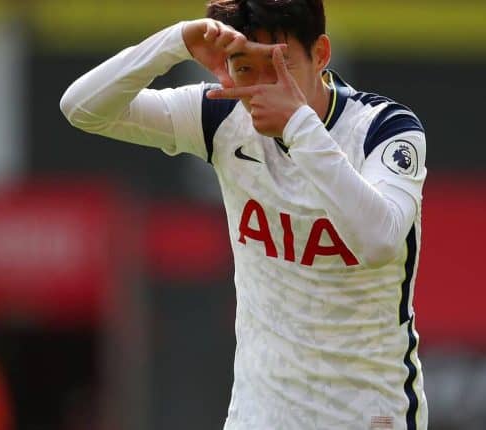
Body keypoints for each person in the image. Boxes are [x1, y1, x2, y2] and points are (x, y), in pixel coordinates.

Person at [59, 0, 427, 428]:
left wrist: (297, 125)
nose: (262, 87)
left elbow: (379, 241)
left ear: (321, 54)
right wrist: (176, 42)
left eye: (280, 65)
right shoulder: (221, 114)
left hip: (368, 415)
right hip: (259, 416)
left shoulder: (386, 130)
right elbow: (81, 107)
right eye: (245, 68)